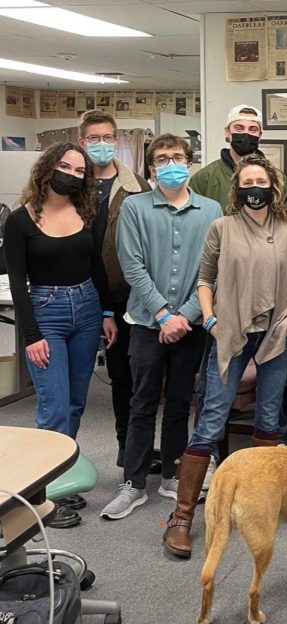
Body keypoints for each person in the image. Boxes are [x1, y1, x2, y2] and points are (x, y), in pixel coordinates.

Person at [163, 155, 287, 559]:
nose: (255, 187)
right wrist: (207, 318)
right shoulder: (220, 228)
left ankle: (255, 505)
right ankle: (182, 518)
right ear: (237, 188)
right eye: (248, 181)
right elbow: (205, 279)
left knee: (269, 420)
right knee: (211, 420)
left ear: (273, 188)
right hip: (229, 332)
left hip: (277, 333)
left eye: (262, 180)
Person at [100, 134, 221, 521]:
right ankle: (133, 483)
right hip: (145, 323)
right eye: (163, 159)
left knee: (181, 402)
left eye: (179, 157)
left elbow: (212, 268)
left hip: (192, 323)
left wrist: (184, 315)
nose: (172, 164)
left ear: (189, 163)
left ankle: (171, 473)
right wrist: (163, 315)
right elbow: (131, 265)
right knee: (142, 402)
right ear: (152, 169)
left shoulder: (211, 209)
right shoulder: (135, 207)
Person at [3, 142, 116, 528]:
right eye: (65, 166)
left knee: (75, 404)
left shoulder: (87, 210)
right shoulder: (20, 221)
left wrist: (105, 312)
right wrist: (30, 334)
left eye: (80, 170)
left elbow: (97, 266)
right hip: (46, 312)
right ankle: (41, 495)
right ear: (48, 167)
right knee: (53, 406)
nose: (72, 173)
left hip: (86, 308)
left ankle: (63, 482)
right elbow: (17, 281)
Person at [77, 109, 151, 469]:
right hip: (75, 292)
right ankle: (60, 461)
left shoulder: (136, 184)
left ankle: (129, 449)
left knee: (125, 379)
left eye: (108, 137)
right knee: (73, 383)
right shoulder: (68, 180)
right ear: (82, 141)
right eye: (94, 138)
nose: (102, 144)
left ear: (117, 140)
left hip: (121, 296)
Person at [190, 104, 287, 213]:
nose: (246, 134)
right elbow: (194, 220)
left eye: (253, 129)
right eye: (239, 128)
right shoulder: (205, 178)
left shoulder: (277, 178)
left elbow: (285, 221)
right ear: (227, 132)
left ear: (260, 135)